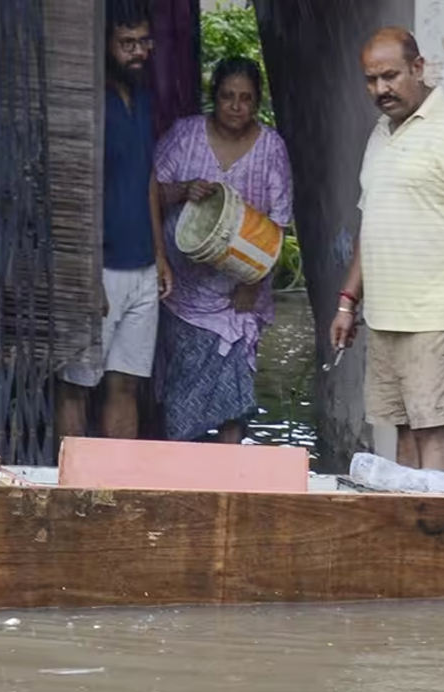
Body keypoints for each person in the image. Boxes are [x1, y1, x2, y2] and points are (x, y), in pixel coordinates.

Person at [329, 27, 444, 476]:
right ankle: (413, 535)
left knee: (435, 429)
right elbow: (374, 225)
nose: (380, 89)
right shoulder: (380, 135)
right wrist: (348, 303)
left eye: (390, 76)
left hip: (437, 313)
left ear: (419, 68)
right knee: (402, 432)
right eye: (371, 80)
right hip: (386, 315)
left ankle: (438, 532)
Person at [149, 57, 293, 444]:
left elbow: (278, 223)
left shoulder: (271, 148)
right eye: (227, 96)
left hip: (238, 294)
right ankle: (181, 476)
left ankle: (229, 474)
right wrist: (183, 190)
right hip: (183, 291)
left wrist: (254, 283)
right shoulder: (186, 135)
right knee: (182, 396)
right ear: (214, 97)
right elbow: (150, 191)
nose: (235, 105)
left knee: (235, 398)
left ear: (257, 102)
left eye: (245, 98)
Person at [58, 0, 164, 441]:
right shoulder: (86, 104)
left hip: (142, 267)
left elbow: (149, 180)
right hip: (96, 269)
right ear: (104, 45)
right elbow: (68, 192)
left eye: (143, 42)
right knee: (76, 386)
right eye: (126, 44)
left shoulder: (141, 99)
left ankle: (118, 489)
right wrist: (86, 273)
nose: (137, 52)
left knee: (126, 384)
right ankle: (72, 492)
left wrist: (161, 256)